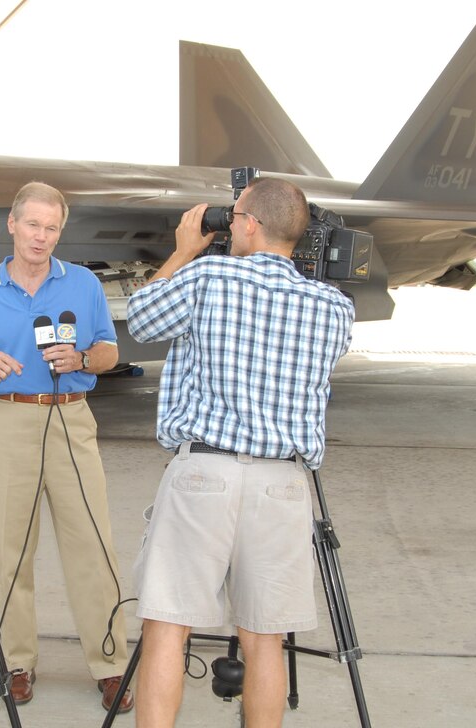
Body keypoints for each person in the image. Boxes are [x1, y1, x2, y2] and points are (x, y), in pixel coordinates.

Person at [126, 177, 354, 727]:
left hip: (206, 473)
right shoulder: (334, 307)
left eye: (234, 218)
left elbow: (140, 319)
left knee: (167, 625)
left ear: (249, 223)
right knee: (265, 639)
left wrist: (183, 251)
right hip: (282, 484)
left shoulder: (207, 275)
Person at [0, 182, 134, 712]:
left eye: (51, 228)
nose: (41, 237)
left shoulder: (83, 283)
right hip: (7, 420)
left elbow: (107, 348)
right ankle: (17, 662)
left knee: (92, 547)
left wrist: (84, 360)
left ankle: (111, 664)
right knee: (11, 548)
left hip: (71, 420)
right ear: (12, 223)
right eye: (33, 225)